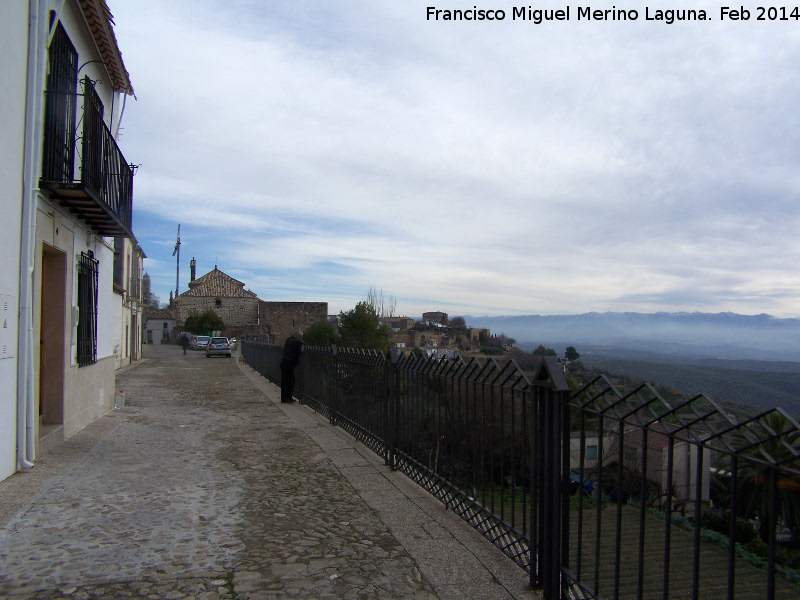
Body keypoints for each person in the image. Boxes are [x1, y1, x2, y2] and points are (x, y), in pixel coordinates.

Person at [280, 329, 304, 403]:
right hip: (287, 364)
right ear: (297, 336)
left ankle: (289, 397)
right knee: (287, 381)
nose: (300, 338)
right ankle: (286, 398)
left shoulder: (291, 340)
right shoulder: (290, 340)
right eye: (300, 337)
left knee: (290, 381)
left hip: (288, 363)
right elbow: (296, 343)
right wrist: (301, 343)